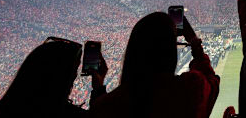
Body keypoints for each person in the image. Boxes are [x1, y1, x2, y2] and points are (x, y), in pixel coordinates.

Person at [90, 12, 219, 118]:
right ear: (169, 52)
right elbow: (211, 82)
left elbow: (100, 110)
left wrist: (98, 89)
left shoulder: (109, 105)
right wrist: (194, 43)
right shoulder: (189, 89)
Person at [0, 37, 106, 118]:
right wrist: (99, 88)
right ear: (57, 79)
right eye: (73, 70)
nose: (75, 76)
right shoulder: (64, 114)